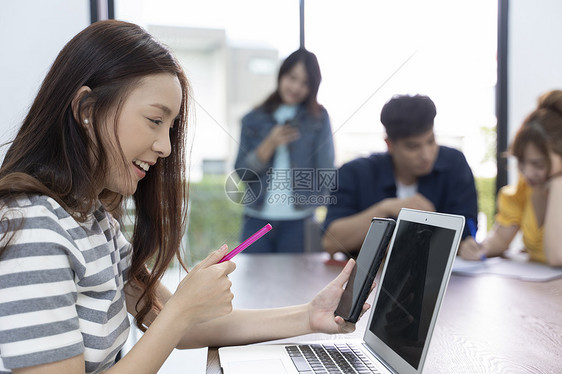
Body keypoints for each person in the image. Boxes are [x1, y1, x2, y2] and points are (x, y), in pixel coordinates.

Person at [0, 20, 367, 374]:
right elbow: (175, 319)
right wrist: (183, 309)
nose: (164, 147)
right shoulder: (34, 229)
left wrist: (308, 316)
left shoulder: (94, 220)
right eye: (155, 120)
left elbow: (180, 325)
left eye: (171, 127)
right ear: (87, 110)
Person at [322, 94, 479, 257]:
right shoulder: (354, 172)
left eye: (431, 141)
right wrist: (385, 208)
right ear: (389, 145)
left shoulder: (454, 164)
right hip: (370, 279)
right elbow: (331, 242)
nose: (426, 155)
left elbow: (467, 228)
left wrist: (466, 244)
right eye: (413, 147)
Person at [234, 48, 335, 253]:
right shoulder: (253, 118)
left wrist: (313, 201)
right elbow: (242, 173)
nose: (296, 87)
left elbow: (326, 169)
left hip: (300, 222)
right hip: (256, 219)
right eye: (292, 77)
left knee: (299, 284)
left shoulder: (319, 118)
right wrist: (269, 144)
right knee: (253, 283)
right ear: (282, 75)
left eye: (305, 83)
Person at [459, 90, 562, 266]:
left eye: (538, 164)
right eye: (522, 162)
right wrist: (479, 248)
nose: (527, 173)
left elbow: (557, 256)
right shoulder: (525, 188)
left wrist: (558, 183)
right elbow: (500, 238)